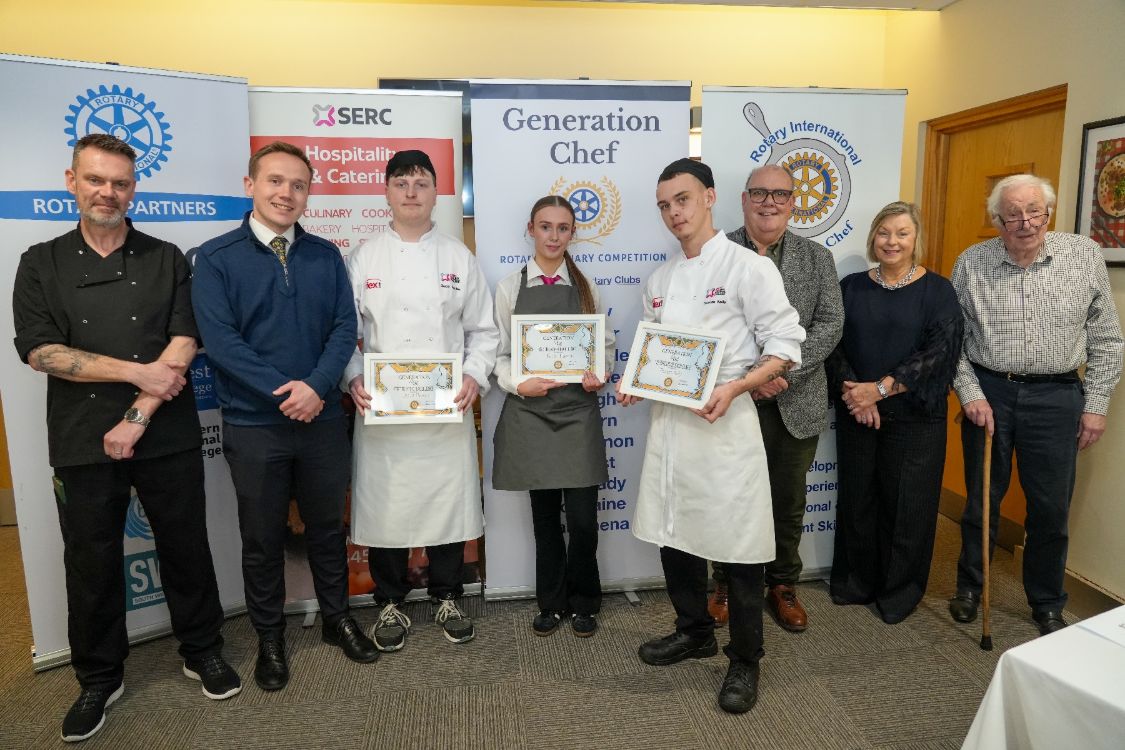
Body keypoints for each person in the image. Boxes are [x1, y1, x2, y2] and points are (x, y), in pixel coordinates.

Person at [12, 134, 239, 742]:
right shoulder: (41, 261)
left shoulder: (166, 257)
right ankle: (98, 677)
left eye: (119, 182)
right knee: (90, 561)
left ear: (133, 187)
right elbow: (42, 352)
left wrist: (137, 413)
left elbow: (184, 340)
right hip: (83, 437)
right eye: (95, 180)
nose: (107, 193)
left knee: (186, 546)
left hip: (164, 430)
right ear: (72, 181)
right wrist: (138, 371)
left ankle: (202, 650)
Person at [191, 141, 377, 692]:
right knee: (263, 538)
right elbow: (220, 343)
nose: (286, 193)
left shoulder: (324, 255)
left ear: (308, 193)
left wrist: (317, 388)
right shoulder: (216, 257)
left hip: (320, 421)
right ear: (250, 185)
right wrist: (284, 392)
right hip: (254, 425)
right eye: (275, 181)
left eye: (298, 185)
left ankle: (337, 618)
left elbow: (344, 328)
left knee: (327, 529)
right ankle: (270, 636)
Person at [621, 158, 805, 714]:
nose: (673, 213)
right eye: (664, 205)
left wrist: (738, 387)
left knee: (738, 546)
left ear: (709, 198)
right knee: (673, 532)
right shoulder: (659, 280)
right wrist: (637, 382)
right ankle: (694, 629)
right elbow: (656, 349)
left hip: (725, 425)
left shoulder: (749, 267)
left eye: (682, 199)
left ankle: (745, 657)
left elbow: (785, 347)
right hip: (672, 428)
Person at [947, 174, 1123, 636]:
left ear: (1048, 213)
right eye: (1013, 215)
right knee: (982, 500)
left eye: (1035, 212)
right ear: (997, 220)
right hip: (990, 393)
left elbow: (1107, 337)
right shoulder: (971, 263)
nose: (1025, 223)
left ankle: (1046, 601)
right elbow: (952, 344)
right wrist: (970, 394)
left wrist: (1096, 404)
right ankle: (971, 586)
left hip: (1058, 395)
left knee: (1050, 508)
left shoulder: (1082, 256)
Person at [344, 150, 499, 652]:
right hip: (382, 410)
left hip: (444, 408)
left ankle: (447, 594)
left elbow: (483, 330)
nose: (411, 191)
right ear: (386, 192)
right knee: (388, 505)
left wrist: (474, 375)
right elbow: (344, 332)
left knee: (447, 502)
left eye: (422, 182)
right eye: (402, 182)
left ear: (437, 193)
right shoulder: (362, 258)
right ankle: (390, 599)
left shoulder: (458, 256)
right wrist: (352, 380)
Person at [709, 164, 844, 632]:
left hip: (795, 400)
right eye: (760, 193)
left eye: (780, 195)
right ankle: (724, 583)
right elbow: (705, 326)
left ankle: (782, 584)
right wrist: (750, 378)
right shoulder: (715, 253)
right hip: (733, 402)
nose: (770, 202)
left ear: (793, 202)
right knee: (729, 498)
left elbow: (830, 323)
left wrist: (782, 370)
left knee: (787, 502)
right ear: (744, 199)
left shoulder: (817, 258)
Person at [826, 202, 962, 624]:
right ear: (873, 237)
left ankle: (898, 592)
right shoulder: (850, 286)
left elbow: (940, 354)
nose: (892, 241)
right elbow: (833, 343)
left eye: (902, 233)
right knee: (859, 499)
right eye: (884, 232)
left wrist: (879, 391)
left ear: (916, 239)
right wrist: (856, 395)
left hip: (915, 417)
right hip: (858, 412)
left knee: (908, 507)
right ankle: (856, 582)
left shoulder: (939, 291)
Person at [492, 195, 615, 638]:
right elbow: (500, 353)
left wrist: (598, 373)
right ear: (531, 229)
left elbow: (604, 345)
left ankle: (585, 601)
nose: (554, 236)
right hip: (532, 414)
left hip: (577, 413)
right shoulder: (510, 287)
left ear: (572, 233)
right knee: (544, 519)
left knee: (582, 520)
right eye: (546, 227)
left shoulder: (587, 288)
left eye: (563, 228)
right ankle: (552, 602)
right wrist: (515, 383)